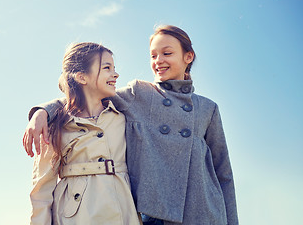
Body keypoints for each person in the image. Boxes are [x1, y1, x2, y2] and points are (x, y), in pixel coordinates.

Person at [24, 25, 239, 224]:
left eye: (167, 53)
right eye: (153, 55)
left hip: (204, 211)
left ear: (188, 56)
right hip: (154, 214)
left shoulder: (208, 108)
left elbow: (224, 173)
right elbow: (85, 94)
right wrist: (42, 112)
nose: (158, 60)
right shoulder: (140, 94)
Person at [29, 42, 141, 225]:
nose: (116, 74)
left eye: (114, 68)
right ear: (82, 77)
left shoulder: (123, 117)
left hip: (123, 211)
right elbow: (41, 191)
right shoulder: (55, 125)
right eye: (107, 68)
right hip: (73, 217)